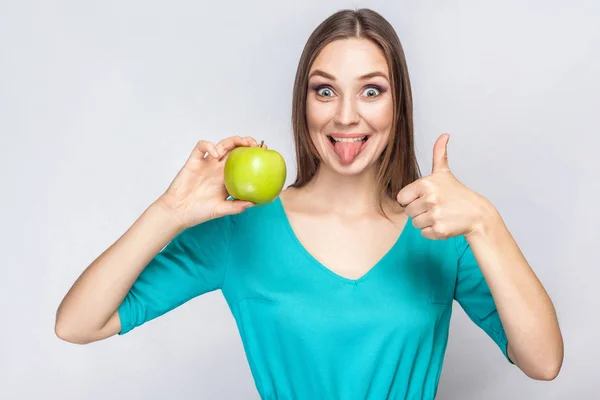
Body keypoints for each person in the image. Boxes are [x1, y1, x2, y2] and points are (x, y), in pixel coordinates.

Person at [55, 8, 564, 399]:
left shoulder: (439, 230)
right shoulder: (243, 228)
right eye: (325, 91)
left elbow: (543, 362)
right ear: (304, 102)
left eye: (371, 91)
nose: (346, 115)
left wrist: (485, 222)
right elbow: (77, 323)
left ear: (397, 103)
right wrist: (169, 211)